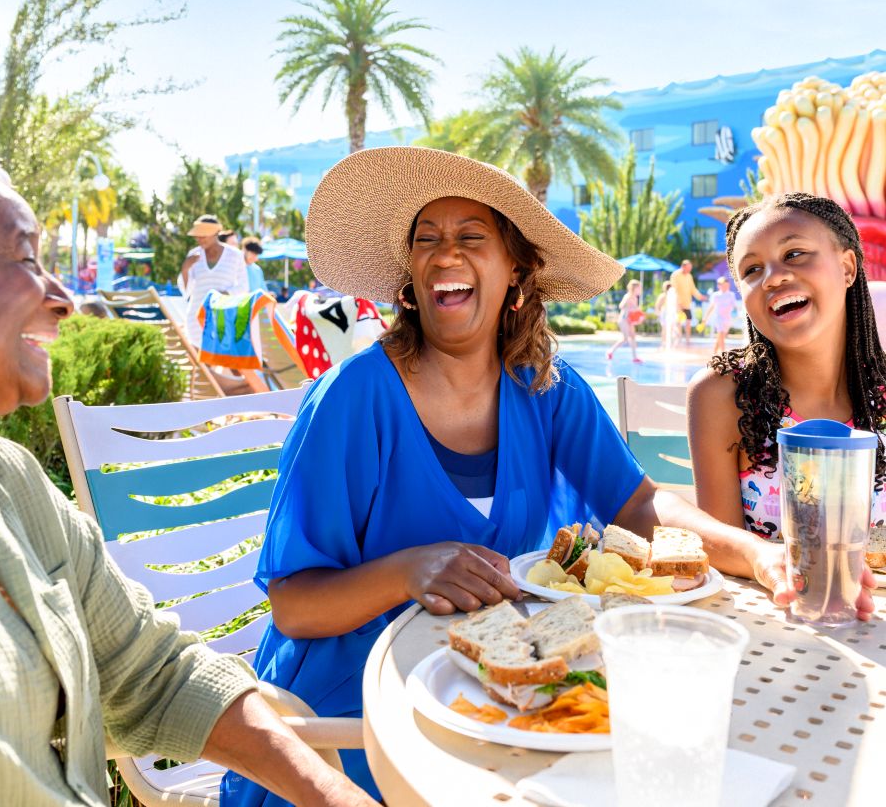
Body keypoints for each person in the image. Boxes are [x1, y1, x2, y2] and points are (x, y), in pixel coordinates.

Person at [221, 148, 852, 807]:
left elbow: (637, 505)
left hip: (497, 707)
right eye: (427, 241)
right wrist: (408, 569)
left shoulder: (546, 387)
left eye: (471, 238)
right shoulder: (354, 398)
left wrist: (760, 553)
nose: (445, 255)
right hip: (346, 724)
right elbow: (293, 605)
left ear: (515, 270)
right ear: (410, 276)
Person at [0, 131, 373, 807]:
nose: (61, 298)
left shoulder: (7, 482)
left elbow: (155, 674)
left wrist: (332, 793)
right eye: (24, 257)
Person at [688, 192, 886, 542]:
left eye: (794, 254)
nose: (772, 278)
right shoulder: (723, 395)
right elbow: (724, 550)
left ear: (847, 268)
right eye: (751, 270)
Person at [180, 215, 249, 348]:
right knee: (200, 363)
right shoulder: (193, 255)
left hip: (223, 316)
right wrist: (185, 268)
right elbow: (186, 291)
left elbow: (243, 286)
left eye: (203, 235)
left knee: (222, 359)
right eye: (197, 236)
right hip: (196, 317)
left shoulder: (235, 255)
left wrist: (225, 294)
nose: (199, 239)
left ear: (215, 233)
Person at [670, 258, 706, 345]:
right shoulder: (675, 275)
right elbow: (673, 289)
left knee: (688, 321)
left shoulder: (689, 276)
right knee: (678, 322)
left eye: (690, 268)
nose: (690, 269)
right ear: (683, 266)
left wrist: (699, 296)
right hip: (678, 304)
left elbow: (692, 289)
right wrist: (678, 303)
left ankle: (687, 339)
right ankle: (677, 339)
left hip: (687, 304)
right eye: (688, 268)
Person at [606, 278, 643, 363]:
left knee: (633, 337)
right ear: (634, 288)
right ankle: (610, 351)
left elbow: (635, 310)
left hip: (630, 320)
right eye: (639, 288)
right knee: (625, 339)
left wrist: (639, 315)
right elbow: (621, 306)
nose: (640, 290)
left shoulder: (635, 298)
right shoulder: (628, 296)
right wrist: (628, 305)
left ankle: (635, 357)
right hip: (624, 319)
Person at [700, 275, 738, 354]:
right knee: (721, 336)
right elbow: (711, 307)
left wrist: (737, 313)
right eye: (722, 285)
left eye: (726, 285)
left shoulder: (731, 295)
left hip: (727, 318)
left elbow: (735, 307)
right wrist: (705, 317)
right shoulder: (716, 295)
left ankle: (714, 352)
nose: (725, 286)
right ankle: (724, 355)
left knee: (721, 338)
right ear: (719, 286)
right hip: (719, 318)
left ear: (728, 285)